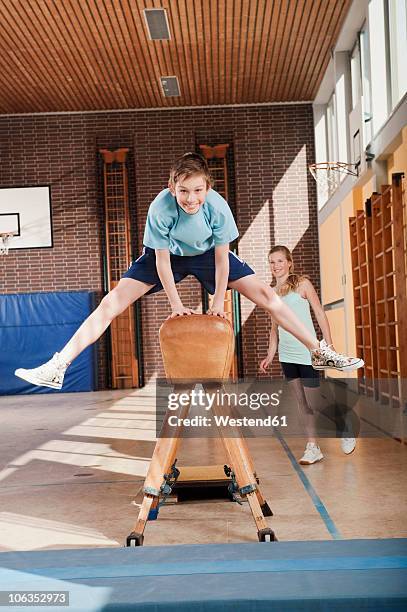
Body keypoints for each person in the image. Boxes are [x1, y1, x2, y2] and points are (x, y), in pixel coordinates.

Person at [15, 153, 363, 391]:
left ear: (207, 189)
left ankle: (318, 349)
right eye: (183, 191)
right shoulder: (161, 209)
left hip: (210, 255)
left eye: (198, 190)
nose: (191, 198)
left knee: (269, 296)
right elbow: (163, 262)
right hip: (166, 255)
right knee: (111, 302)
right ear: (172, 188)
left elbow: (223, 260)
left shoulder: (217, 208)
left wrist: (217, 301)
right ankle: (58, 365)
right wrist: (176, 304)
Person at [259, 245, 358, 464]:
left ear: (289, 262)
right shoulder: (271, 293)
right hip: (287, 355)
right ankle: (313, 447)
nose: (276, 266)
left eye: (279, 261)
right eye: (272, 262)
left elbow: (320, 314)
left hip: (308, 353)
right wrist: (270, 354)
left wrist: (328, 346)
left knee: (315, 402)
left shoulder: (302, 284)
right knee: (301, 403)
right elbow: (274, 328)